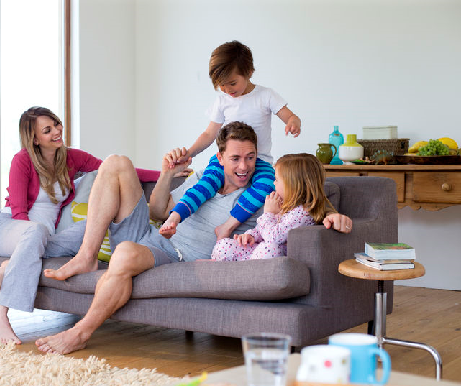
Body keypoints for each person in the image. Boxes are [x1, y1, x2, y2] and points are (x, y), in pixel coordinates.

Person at [35, 121, 352, 355]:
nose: (244, 166)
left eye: (251, 157)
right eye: (236, 158)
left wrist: (332, 216)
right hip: (152, 233)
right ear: (220, 156)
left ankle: (80, 332)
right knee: (116, 162)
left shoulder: (261, 194)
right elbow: (159, 211)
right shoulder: (204, 180)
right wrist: (167, 173)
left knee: (125, 255)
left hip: (176, 254)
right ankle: (87, 255)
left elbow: (307, 198)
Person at [0, 106, 159, 344]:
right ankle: (0, 312)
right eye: (48, 130)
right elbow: (18, 211)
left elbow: (116, 170)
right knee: (35, 231)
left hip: (48, 239)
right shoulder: (22, 160)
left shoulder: (71, 157)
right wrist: (26, 245)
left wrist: (166, 173)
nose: (56, 131)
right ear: (34, 139)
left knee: (96, 223)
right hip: (10, 230)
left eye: (57, 124)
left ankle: (10, 265)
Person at [159, 40, 301, 241]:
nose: (227, 90)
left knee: (267, 185)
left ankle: (227, 226)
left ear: (249, 72)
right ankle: (174, 218)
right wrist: (189, 153)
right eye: (221, 86)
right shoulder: (223, 101)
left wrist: (293, 122)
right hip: (228, 160)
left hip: (259, 161)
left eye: (232, 83)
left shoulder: (265, 95)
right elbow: (209, 134)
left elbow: (289, 115)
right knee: (206, 184)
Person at [211, 153, 334, 261]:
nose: (273, 183)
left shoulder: (302, 214)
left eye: (276, 180)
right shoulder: (283, 205)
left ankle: (242, 271)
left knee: (269, 248)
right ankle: (220, 264)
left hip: (272, 255)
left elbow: (273, 238)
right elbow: (261, 230)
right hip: (257, 252)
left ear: (293, 186)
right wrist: (251, 236)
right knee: (224, 245)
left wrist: (268, 213)